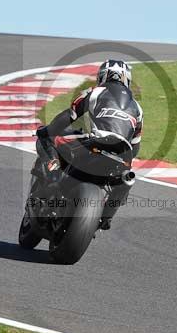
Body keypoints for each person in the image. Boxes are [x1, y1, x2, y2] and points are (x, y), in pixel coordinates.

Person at [35, 59, 143, 229]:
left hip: (96, 142)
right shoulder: (137, 108)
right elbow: (136, 147)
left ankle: (53, 177)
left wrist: (47, 131)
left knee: (51, 140)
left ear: (102, 76)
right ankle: (106, 218)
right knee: (127, 178)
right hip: (123, 154)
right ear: (127, 79)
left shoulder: (95, 92)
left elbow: (68, 116)